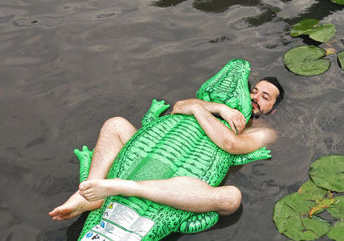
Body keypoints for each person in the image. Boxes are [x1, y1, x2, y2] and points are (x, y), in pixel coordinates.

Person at [48, 77, 284, 221]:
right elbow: (179, 106)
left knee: (232, 198)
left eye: (265, 97)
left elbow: (231, 144)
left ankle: (127, 187)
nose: (255, 98)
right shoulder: (222, 109)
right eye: (253, 91)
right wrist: (221, 109)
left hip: (184, 177)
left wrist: (199, 110)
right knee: (115, 124)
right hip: (158, 151)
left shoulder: (263, 132)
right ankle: (86, 195)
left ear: (273, 110)